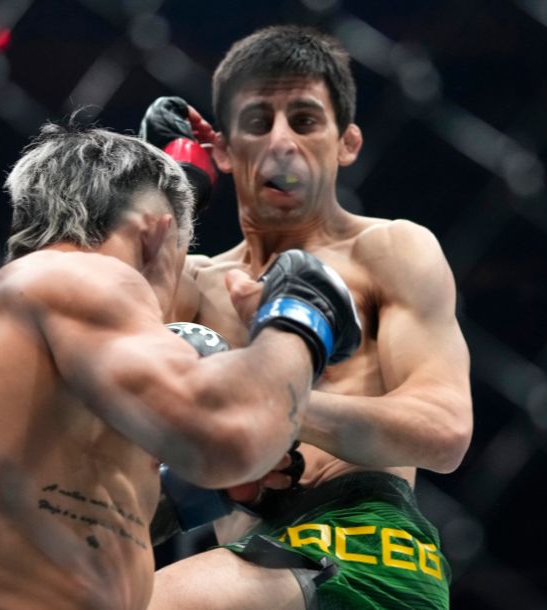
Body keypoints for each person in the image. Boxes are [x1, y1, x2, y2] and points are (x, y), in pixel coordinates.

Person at [0, 124, 362, 610]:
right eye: (182, 254)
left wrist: (179, 495)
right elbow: (229, 437)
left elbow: (40, 517)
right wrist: (301, 319)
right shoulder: (94, 278)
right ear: (157, 231)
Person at [141, 25, 474, 609]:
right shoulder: (187, 281)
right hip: (246, 556)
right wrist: (155, 198)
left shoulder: (389, 251)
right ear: (223, 149)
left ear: (346, 142)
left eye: (304, 120)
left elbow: (444, 431)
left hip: (365, 549)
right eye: (257, 122)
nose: (280, 143)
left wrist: (276, 401)